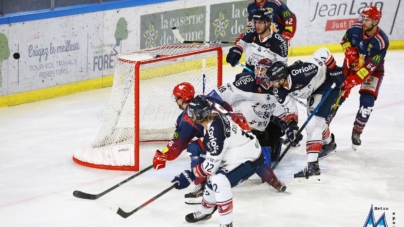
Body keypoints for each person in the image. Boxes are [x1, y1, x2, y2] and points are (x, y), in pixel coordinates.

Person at [171, 96, 287, 227]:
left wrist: (191, 174)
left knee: (219, 181)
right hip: (241, 151)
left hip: (249, 158)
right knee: (212, 178)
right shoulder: (215, 118)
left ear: (197, 116)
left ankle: (226, 224)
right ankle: (206, 211)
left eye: (191, 115)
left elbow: (210, 167)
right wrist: (195, 172)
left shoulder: (213, 134)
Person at [266, 47, 345, 178]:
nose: (271, 84)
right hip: (313, 92)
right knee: (315, 121)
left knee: (314, 123)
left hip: (327, 84)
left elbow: (323, 52)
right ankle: (328, 143)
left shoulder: (301, 72)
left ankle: (312, 167)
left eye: (273, 81)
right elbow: (290, 109)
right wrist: (292, 128)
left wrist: (334, 69)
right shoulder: (279, 90)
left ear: (282, 79)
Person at [152, 82, 234, 204]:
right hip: (234, 133)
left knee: (194, 148)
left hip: (223, 144)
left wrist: (163, 155)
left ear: (182, 99)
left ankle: (202, 187)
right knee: (203, 141)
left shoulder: (187, 117)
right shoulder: (204, 97)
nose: (176, 101)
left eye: (177, 98)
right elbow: (227, 106)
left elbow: (177, 144)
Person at [208, 58, 300, 165]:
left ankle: (270, 145)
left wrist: (291, 127)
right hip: (242, 129)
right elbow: (219, 94)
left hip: (260, 127)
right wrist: (208, 103)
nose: (259, 73)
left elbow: (282, 111)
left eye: (263, 70)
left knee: (278, 130)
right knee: (260, 163)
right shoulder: (246, 83)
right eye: (258, 69)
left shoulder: (276, 88)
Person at [337, 6, 389, 150]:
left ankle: (357, 131)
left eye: (367, 19)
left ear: (376, 21)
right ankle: (324, 126)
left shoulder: (381, 42)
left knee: (367, 103)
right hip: (352, 65)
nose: (363, 22)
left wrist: (351, 81)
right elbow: (344, 40)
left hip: (372, 72)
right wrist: (348, 50)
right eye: (363, 18)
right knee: (337, 96)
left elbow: (368, 69)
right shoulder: (355, 28)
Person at [227, 8, 288, 72]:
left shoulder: (280, 42)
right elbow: (241, 44)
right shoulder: (251, 32)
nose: (257, 25)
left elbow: (282, 66)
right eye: (255, 22)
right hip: (249, 70)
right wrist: (236, 52)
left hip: (268, 75)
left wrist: (271, 75)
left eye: (260, 22)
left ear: (268, 23)